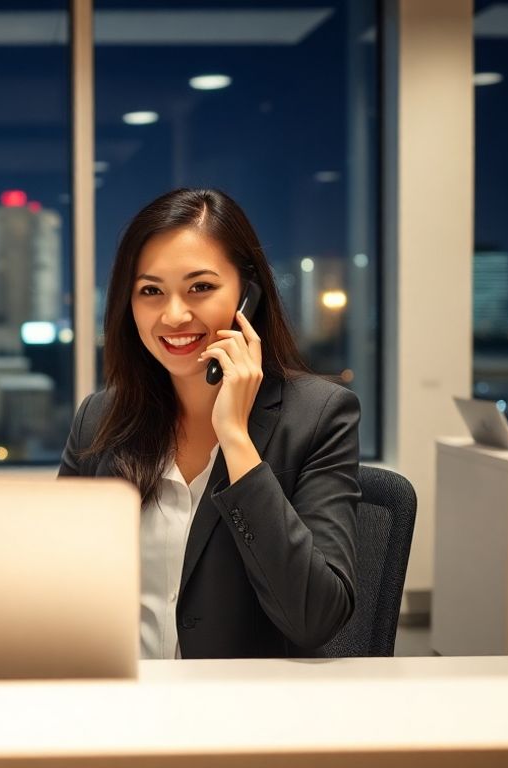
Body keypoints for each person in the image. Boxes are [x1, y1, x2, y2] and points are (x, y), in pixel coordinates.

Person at [59, 187, 359, 659]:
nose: (174, 315)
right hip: (115, 708)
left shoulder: (319, 417)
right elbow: (55, 583)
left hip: (238, 715)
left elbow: (315, 619)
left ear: (247, 295)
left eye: (200, 287)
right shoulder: (100, 418)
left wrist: (237, 440)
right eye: (151, 291)